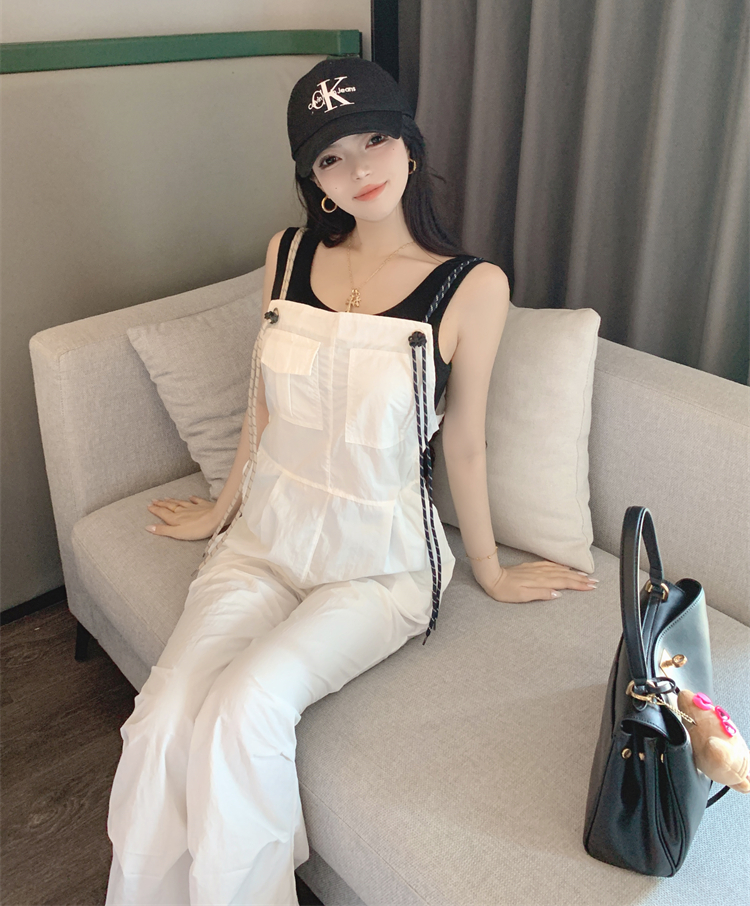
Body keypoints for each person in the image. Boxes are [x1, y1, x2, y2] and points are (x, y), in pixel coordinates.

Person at [104, 57, 597, 906]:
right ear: (314, 179)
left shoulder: (471, 286)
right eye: (332, 156)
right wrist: (220, 513)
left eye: (375, 139)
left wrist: (488, 570)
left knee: (245, 710)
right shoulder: (288, 253)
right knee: (162, 717)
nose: (361, 168)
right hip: (265, 542)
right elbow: (262, 405)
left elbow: (465, 445)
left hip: (379, 565)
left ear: (409, 142)